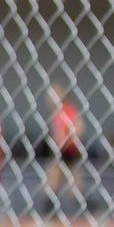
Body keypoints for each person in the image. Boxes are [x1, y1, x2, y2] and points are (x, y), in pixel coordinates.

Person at [44, 84, 85, 212]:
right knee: (53, 182)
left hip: (69, 152)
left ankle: (85, 210)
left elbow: (79, 128)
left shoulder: (67, 110)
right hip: (60, 152)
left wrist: (67, 141)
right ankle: (50, 212)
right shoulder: (57, 113)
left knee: (73, 184)